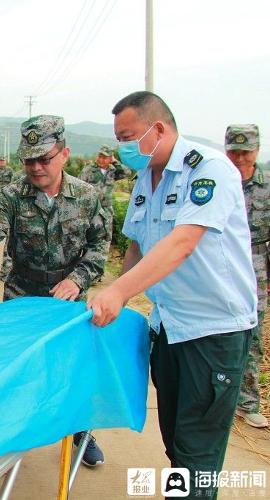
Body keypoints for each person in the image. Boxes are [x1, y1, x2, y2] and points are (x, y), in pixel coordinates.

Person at [88, 91, 256, 499]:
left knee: (197, 453)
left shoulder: (209, 169)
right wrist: (120, 299)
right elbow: (136, 245)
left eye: (128, 137)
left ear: (158, 129)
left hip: (212, 332)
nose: (123, 148)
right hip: (170, 329)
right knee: (177, 445)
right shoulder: (146, 178)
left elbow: (182, 243)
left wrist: (118, 290)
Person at [0, 115, 109, 466]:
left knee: (72, 367)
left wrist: (77, 279)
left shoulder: (88, 196)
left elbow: (99, 245)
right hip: (22, 295)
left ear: (64, 154)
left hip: (68, 298)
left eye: (44, 158)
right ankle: (17, 431)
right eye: (29, 160)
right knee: (22, 365)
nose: (36, 167)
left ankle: (80, 433)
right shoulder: (12, 195)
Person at [225, 123, 269, 428]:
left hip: (256, 265)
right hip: (220, 261)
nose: (240, 158)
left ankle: (248, 401)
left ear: (257, 151)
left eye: (246, 152)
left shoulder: (266, 185)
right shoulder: (216, 180)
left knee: (252, 332)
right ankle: (220, 398)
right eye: (234, 152)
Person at [78, 145, 131, 238]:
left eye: (105, 157)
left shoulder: (113, 170)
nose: (101, 159)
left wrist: (115, 162)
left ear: (110, 158)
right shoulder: (89, 169)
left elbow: (127, 173)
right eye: (100, 156)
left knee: (106, 235)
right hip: (91, 208)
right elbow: (78, 187)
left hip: (106, 210)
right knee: (88, 235)